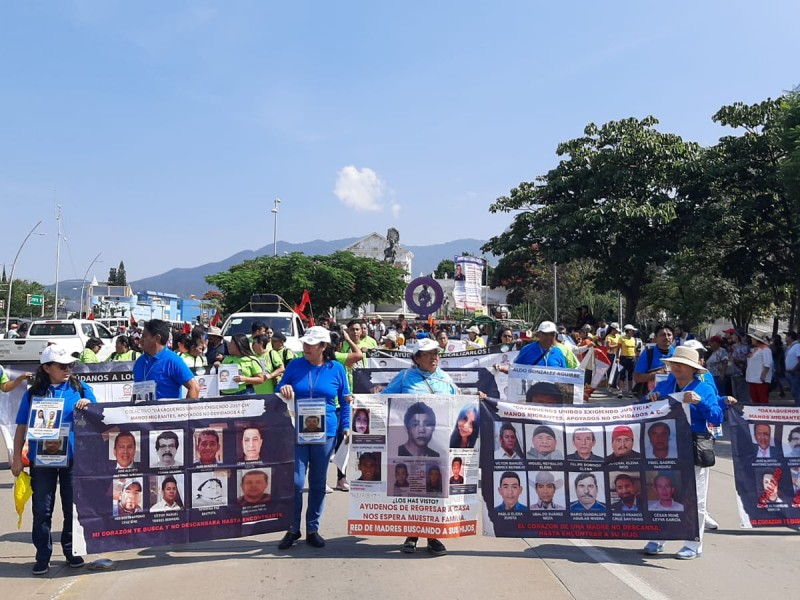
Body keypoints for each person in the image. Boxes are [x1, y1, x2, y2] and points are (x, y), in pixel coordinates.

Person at [10, 344, 96, 575]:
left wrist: (89, 406)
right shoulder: (33, 393)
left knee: (72, 509)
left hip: (73, 459)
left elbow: (100, 414)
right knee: (42, 511)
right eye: (62, 365)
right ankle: (42, 556)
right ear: (47, 368)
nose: (67, 369)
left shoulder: (81, 388)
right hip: (42, 461)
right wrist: (17, 458)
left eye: (70, 365)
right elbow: (21, 427)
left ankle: (71, 551)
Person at [641, 346, 722, 560]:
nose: (675, 367)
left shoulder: (704, 388)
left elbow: (716, 416)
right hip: (667, 447)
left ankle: (694, 543)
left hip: (693, 445)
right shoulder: (666, 384)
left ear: (692, 369)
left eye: (680, 364)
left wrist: (699, 402)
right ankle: (659, 537)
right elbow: (642, 405)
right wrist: (651, 399)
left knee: (695, 496)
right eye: (673, 363)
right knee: (664, 491)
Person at [380, 336, 455, 556]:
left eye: (436, 353)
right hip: (408, 448)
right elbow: (383, 399)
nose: (434, 358)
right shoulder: (405, 378)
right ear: (417, 358)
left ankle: (433, 537)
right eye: (429, 354)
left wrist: (477, 398)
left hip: (438, 446)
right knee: (412, 489)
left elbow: (459, 404)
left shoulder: (446, 380)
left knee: (434, 489)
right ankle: (412, 534)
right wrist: (357, 402)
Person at [277, 326, 351, 550]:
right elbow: (280, 389)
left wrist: (346, 426)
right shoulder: (295, 365)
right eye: (305, 344)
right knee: (296, 482)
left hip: (325, 432)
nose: (306, 348)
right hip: (297, 430)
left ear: (323, 347)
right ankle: (292, 528)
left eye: (311, 344)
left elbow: (345, 400)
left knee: (318, 482)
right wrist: (285, 388)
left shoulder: (336, 368)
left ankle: (312, 528)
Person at [133, 319, 199, 400]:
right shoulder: (139, 361)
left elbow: (194, 387)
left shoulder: (173, 361)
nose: (140, 339)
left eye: (144, 336)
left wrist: (184, 410)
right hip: (142, 412)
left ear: (157, 338)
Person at [499, 321, 568, 372]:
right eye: (545, 334)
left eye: (552, 334)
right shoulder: (527, 350)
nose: (549, 337)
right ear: (538, 335)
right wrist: (501, 368)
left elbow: (564, 375)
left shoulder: (558, 352)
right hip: (531, 390)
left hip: (552, 391)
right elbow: (514, 369)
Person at [633, 326, 675, 394]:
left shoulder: (677, 355)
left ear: (673, 338)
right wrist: (656, 374)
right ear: (656, 338)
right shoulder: (648, 353)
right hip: (651, 398)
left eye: (669, 335)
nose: (667, 337)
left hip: (672, 397)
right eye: (663, 335)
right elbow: (637, 378)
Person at [746, 334, 773, 404]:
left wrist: (763, 375)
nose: (751, 339)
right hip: (752, 378)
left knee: (762, 398)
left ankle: (764, 413)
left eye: (753, 338)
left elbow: (767, 363)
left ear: (757, 340)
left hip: (760, 379)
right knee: (754, 399)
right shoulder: (756, 349)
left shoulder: (765, 349)